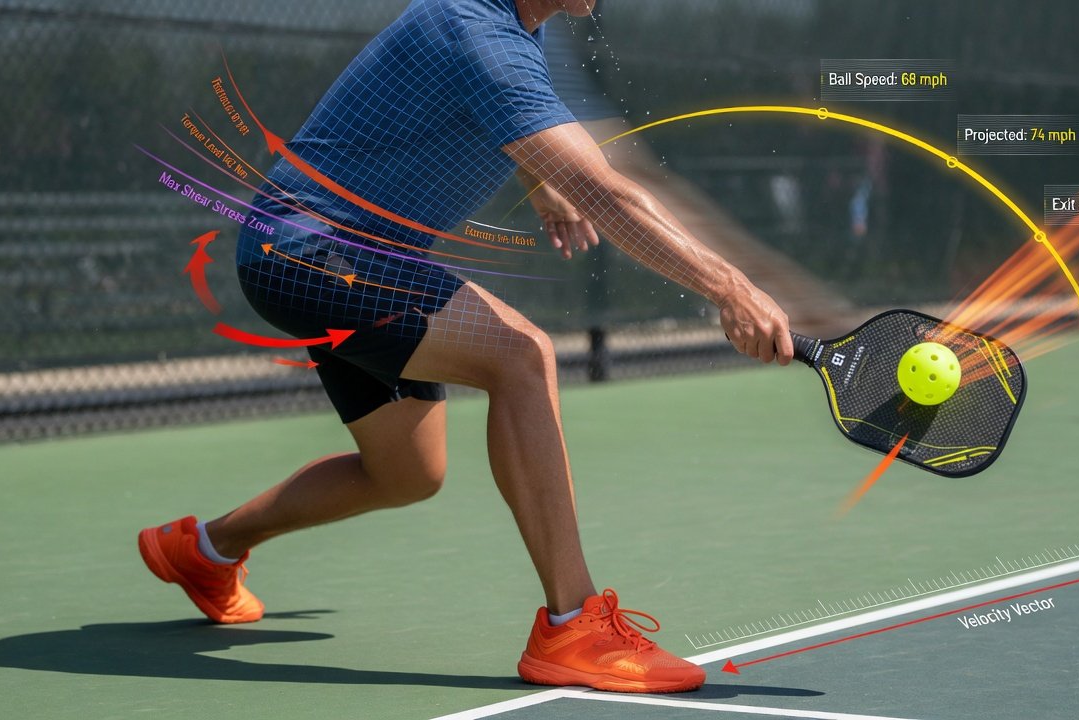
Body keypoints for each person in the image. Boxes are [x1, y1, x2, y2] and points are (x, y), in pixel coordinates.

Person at [137, 0, 791, 694]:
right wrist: (728, 286)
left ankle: (206, 550)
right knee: (520, 355)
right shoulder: (479, 33)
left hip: (324, 257)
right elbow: (603, 189)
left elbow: (492, 122)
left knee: (408, 472)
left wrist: (538, 180)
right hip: (313, 252)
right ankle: (573, 625)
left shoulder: (508, 37)